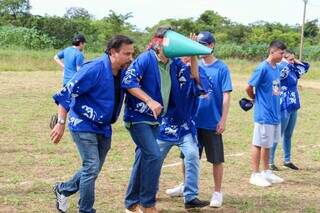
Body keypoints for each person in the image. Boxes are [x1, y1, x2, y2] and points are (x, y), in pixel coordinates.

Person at [50, 35, 134, 213]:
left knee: (92, 169)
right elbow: (67, 93)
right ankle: (86, 209)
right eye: (127, 54)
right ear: (113, 52)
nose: (131, 58)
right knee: (91, 167)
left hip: (103, 127)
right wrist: (60, 122)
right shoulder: (93, 69)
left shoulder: (123, 72)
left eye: (131, 54)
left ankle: (63, 189)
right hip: (82, 123)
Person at [166, 31, 232, 208]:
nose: (201, 48)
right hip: (192, 121)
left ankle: (217, 192)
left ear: (212, 46)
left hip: (212, 121)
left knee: (216, 158)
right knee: (187, 156)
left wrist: (223, 119)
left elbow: (226, 95)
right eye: (198, 45)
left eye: (204, 45)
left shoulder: (221, 68)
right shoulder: (193, 64)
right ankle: (185, 186)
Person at [157, 55, 210, 210]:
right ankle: (149, 192)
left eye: (189, 53)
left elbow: (198, 80)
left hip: (185, 127)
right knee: (154, 159)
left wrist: (193, 54)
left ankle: (191, 197)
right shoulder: (169, 67)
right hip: (166, 125)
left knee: (193, 155)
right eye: (183, 52)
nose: (185, 56)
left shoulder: (196, 70)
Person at [245, 40, 286, 187]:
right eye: (281, 53)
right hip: (264, 114)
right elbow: (249, 87)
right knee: (258, 143)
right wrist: (255, 99)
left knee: (268, 144)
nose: (283, 55)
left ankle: (266, 171)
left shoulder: (276, 68)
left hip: (274, 113)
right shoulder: (262, 67)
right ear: (272, 52)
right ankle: (255, 174)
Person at [269, 49, 310, 171]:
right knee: (278, 134)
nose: (293, 62)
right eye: (290, 59)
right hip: (283, 105)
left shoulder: (292, 69)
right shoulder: (281, 68)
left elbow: (305, 67)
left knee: (288, 134)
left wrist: (293, 60)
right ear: (283, 58)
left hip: (293, 104)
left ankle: (287, 160)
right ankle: (270, 162)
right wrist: (285, 61)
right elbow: (276, 81)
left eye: (293, 59)